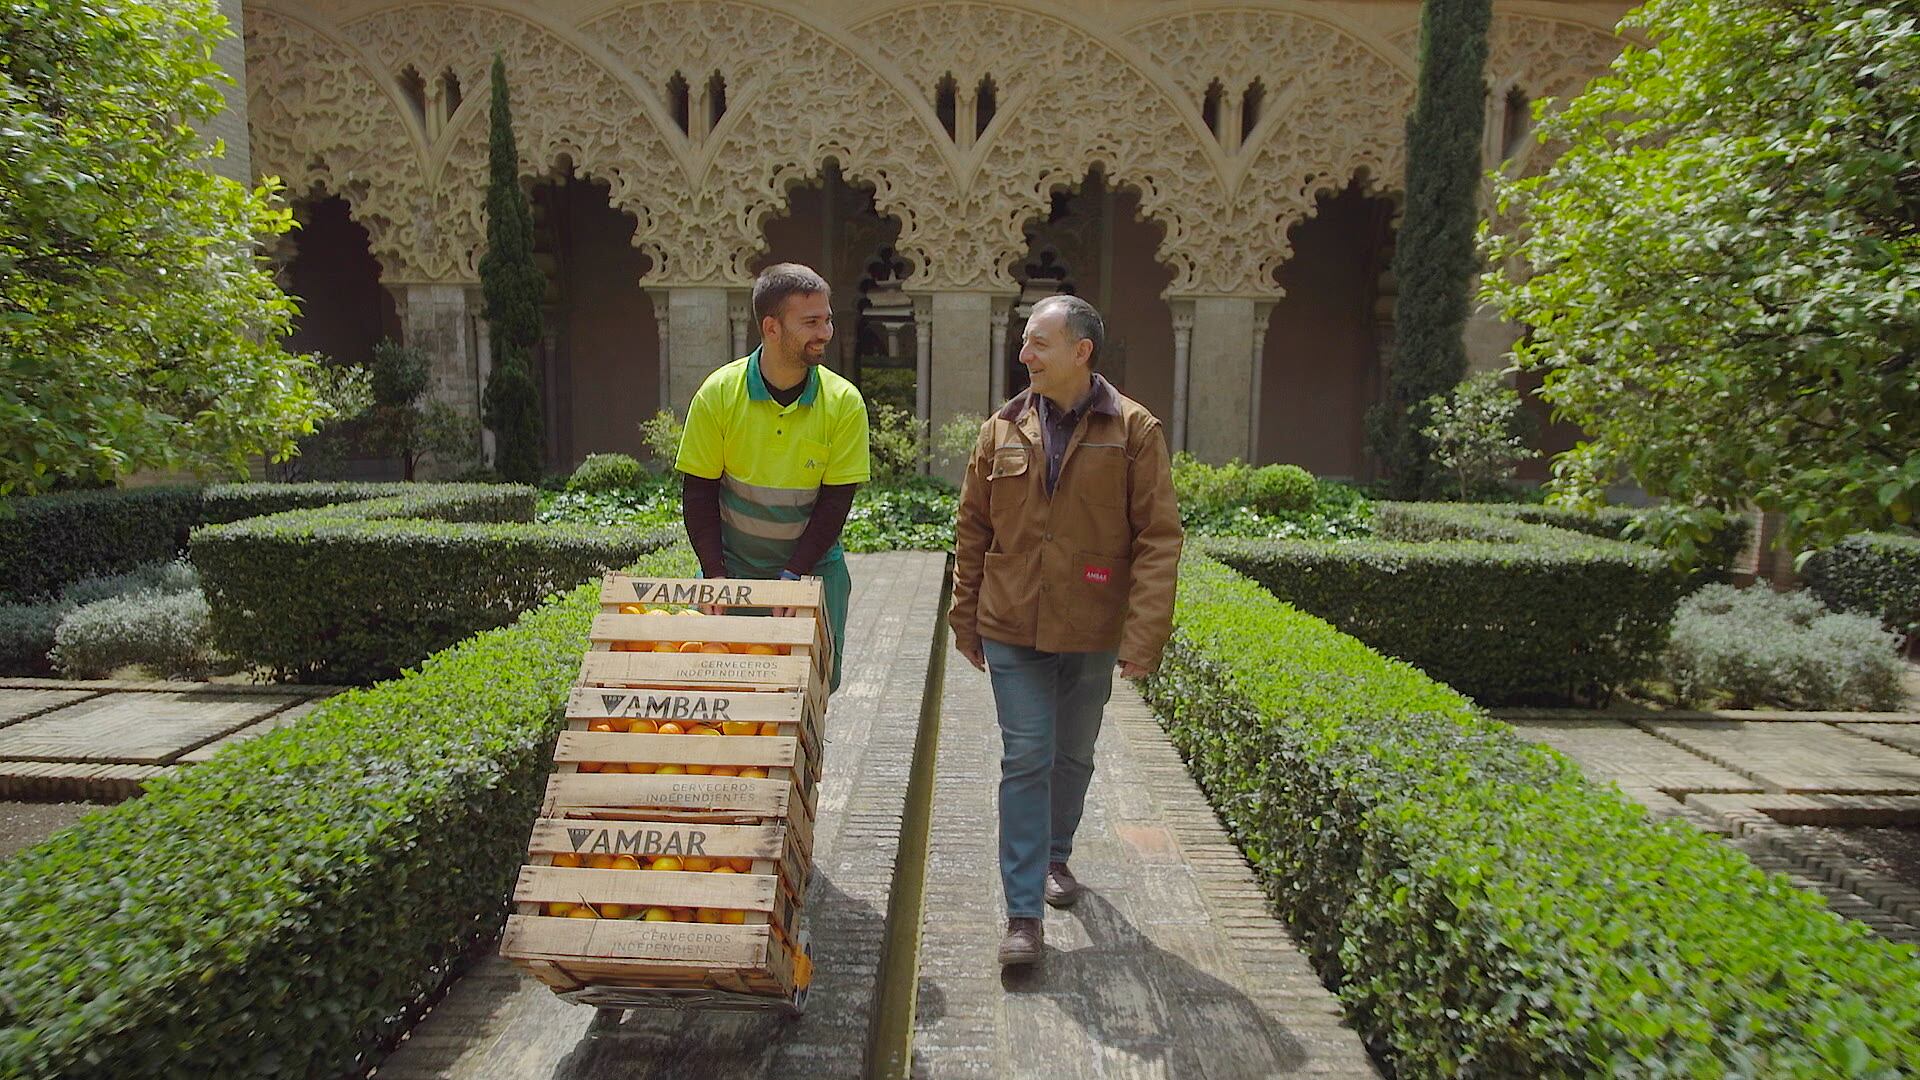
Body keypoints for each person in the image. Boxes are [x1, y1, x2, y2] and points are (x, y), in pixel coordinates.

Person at [948, 293, 1183, 968]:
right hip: (1012, 624)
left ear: (1081, 352)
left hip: (1091, 626)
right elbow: (974, 529)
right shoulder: (1000, 430)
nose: (1024, 355)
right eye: (1024, 342)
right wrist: (965, 616)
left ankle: (1055, 858)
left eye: (1038, 344)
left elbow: (1159, 539)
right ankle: (1023, 917)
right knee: (1027, 757)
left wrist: (1143, 637)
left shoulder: (1135, 431)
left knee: (1073, 755)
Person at [676, 263, 871, 691]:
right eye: (811, 322)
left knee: (809, 691)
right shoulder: (718, 394)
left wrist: (794, 576)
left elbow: (836, 503)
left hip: (812, 569)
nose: (826, 332)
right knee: (727, 692)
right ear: (772, 327)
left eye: (828, 319)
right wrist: (715, 575)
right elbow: (698, 494)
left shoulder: (844, 402)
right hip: (734, 571)